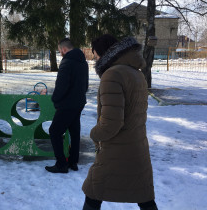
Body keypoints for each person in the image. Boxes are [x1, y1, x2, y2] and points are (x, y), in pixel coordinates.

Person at [82, 34, 158, 210]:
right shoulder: (136, 73)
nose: (94, 58)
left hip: (116, 149)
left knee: (94, 190)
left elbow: (112, 122)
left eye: (94, 54)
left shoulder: (112, 74)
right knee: (143, 195)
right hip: (136, 146)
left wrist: (95, 134)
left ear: (102, 53)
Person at [45, 38, 89, 173]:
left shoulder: (67, 62)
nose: (60, 54)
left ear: (64, 49)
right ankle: (73, 162)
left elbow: (61, 86)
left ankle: (61, 164)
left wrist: (55, 99)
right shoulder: (83, 62)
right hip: (79, 102)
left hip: (67, 104)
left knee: (54, 131)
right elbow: (85, 85)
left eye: (60, 51)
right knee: (74, 132)